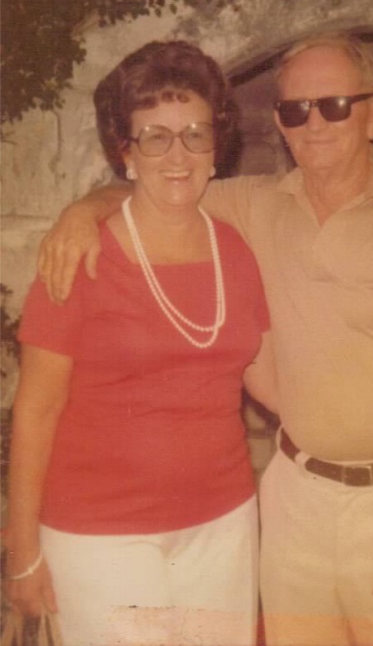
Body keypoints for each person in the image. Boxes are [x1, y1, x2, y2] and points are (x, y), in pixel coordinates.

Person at [35, 32, 373, 646]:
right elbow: (163, 180)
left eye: (334, 105)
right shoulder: (255, 204)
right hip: (295, 503)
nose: (314, 124)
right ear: (279, 123)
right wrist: (83, 210)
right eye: (296, 110)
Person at [4, 40, 277, 646]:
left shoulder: (234, 251)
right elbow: (35, 410)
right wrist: (21, 551)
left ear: (216, 146)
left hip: (224, 521)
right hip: (101, 533)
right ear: (125, 151)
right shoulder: (79, 256)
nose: (177, 155)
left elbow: (264, 377)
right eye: (155, 137)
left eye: (195, 134)